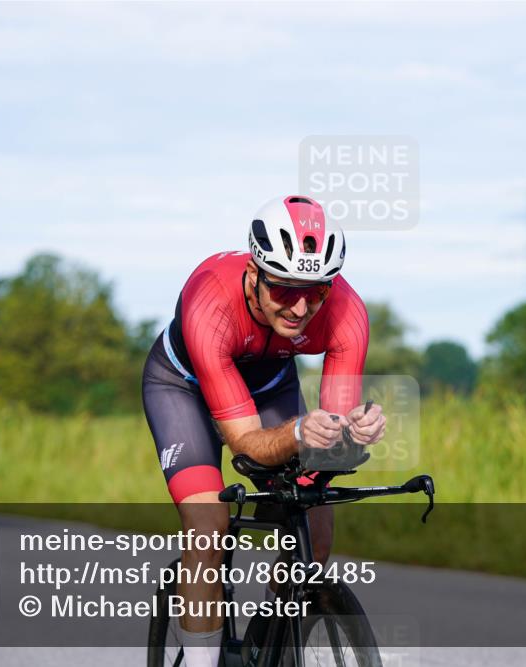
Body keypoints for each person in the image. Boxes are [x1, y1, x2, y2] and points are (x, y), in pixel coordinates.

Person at [141, 195, 386, 667]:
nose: (300, 308)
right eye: (284, 289)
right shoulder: (210, 300)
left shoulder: (346, 311)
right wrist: (298, 434)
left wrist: (353, 431)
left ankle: (263, 645)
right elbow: (247, 444)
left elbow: (330, 440)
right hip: (182, 388)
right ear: (254, 274)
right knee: (208, 528)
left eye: (315, 291)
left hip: (269, 382)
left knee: (315, 524)